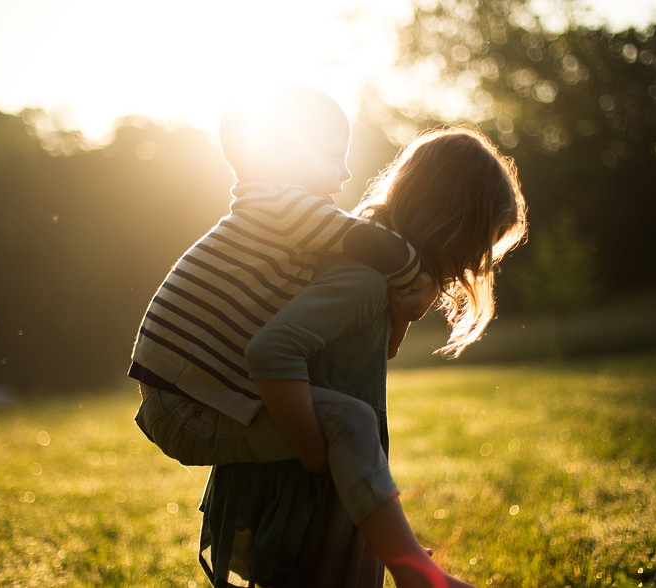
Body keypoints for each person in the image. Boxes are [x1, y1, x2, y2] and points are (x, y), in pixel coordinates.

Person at [130, 85, 438, 577]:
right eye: (335, 156)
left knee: (344, 421)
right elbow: (371, 242)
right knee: (351, 422)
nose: (344, 174)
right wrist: (415, 281)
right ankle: (410, 568)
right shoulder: (280, 206)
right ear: (291, 154)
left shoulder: (272, 216)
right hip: (186, 406)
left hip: (184, 399)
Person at [200, 126, 527, 587]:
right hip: (305, 486)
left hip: (333, 482)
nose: (477, 262)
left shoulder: (376, 276)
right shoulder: (363, 280)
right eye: (482, 240)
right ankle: (418, 574)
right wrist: (316, 453)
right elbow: (275, 351)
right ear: (450, 222)